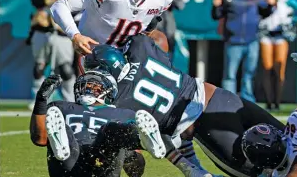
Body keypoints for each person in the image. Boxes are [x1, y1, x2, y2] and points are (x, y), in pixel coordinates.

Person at [85, 34, 285, 177]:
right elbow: (157, 37)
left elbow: (138, 162)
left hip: (203, 123)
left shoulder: (120, 101)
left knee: (261, 173)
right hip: (220, 96)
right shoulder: (141, 48)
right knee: (293, 140)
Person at [29, 71, 166, 177]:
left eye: (95, 85)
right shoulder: (60, 107)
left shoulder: (123, 114)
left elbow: (135, 172)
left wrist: (128, 154)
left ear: (109, 91)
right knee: (64, 129)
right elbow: (39, 139)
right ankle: (61, 144)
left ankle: (145, 142)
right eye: (87, 83)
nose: (89, 87)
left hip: (102, 164)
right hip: (69, 163)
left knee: (110, 130)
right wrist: (41, 99)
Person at [212, 0, 261, 103]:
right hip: (234, 39)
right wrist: (216, 6)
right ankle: (229, 102)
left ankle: (249, 102)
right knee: (230, 75)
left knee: (249, 74)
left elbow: (264, 10)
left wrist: (269, 3)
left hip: (252, 39)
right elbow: (217, 14)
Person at [258, 0, 292, 111]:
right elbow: (259, 12)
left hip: (280, 35)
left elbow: (290, 14)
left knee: (279, 69)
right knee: (267, 68)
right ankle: (269, 101)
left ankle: (277, 101)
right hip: (266, 35)